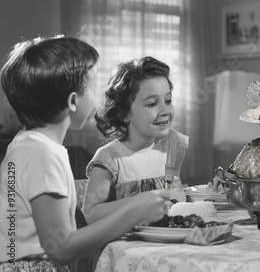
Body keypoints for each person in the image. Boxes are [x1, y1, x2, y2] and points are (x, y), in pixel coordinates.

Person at [0, 36, 171, 271]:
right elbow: (61, 248)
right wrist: (134, 212)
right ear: (73, 101)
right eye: (92, 88)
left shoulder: (27, 145)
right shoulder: (40, 154)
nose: (97, 96)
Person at [83, 56, 188, 223]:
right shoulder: (109, 158)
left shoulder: (174, 143)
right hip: (124, 242)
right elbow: (90, 213)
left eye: (168, 101)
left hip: (167, 238)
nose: (165, 110)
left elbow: (175, 194)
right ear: (124, 113)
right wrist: (142, 201)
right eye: (152, 104)